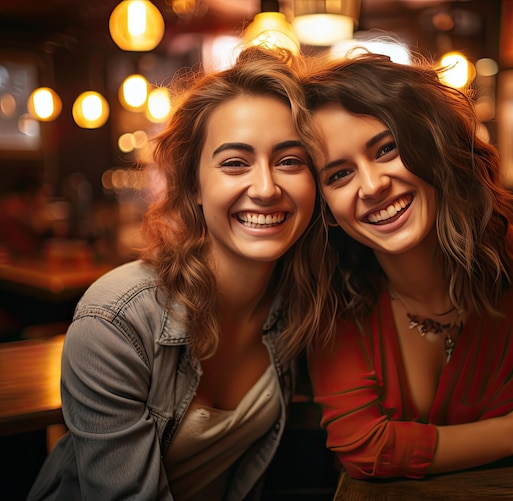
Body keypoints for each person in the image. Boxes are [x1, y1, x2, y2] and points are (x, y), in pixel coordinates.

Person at [27, 45, 333, 500]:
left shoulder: (304, 299)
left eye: (290, 161)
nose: (267, 188)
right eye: (235, 163)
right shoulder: (116, 321)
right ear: (192, 185)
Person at [300, 51, 513, 480]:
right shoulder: (330, 300)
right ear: (323, 206)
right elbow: (365, 451)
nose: (372, 185)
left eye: (387, 149)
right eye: (338, 175)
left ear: (433, 145)